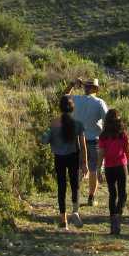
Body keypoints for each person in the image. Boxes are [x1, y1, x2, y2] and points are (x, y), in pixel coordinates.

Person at [42, 93, 88, 229]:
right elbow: (83, 146)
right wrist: (84, 163)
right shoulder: (78, 124)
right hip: (73, 156)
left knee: (61, 188)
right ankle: (75, 211)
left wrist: (47, 132)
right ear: (72, 108)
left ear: (60, 107)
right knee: (75, 185)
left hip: (59, 158)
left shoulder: (54, 123)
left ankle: (64, 221)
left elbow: (44, 140)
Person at [97, 108, 129, 235]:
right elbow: (127, 150)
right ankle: (118, 217)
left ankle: (113, 220)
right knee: (122, 194)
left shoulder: (103, 136)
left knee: (112, 194)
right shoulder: (122, 134)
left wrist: (98, 170)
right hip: (121, 166)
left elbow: (101, 154)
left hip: (109, 168)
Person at [70, 77, 108, 206]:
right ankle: (91, 198)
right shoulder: (99, 103)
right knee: (93, 170)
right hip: (94, 141)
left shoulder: (76, 99)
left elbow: (64, 96)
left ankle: (75, 197)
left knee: (77, 170)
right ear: (96, 89)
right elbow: (107, 121)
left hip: (77, 140)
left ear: (85, 88)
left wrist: (72, 84)